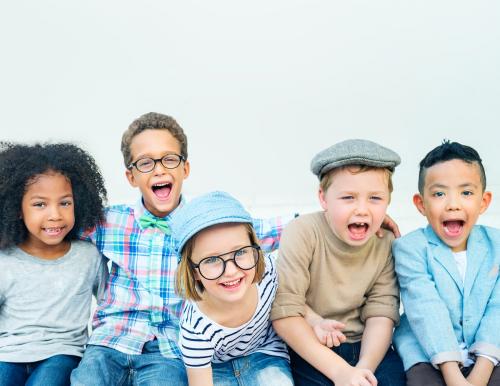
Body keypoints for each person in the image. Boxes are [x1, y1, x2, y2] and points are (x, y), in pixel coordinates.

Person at [71, 113, 291, 386]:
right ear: (131, 176)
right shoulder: (110, 221)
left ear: (184, 169)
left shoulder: (204, 227)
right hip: (110, 341)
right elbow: (56, 225)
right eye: (146, 162)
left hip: (169, 349)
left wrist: (332, 214)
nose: (159, 170)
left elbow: (265, 230)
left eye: (169, 159)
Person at [271, 139, 406, 386]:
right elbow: (285, 312)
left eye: (375, 198)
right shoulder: (303, 232)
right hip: (310, 346)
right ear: (323, 198)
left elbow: (382, 312)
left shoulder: (385, 242)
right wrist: (342, 374)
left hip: (368, 347)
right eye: (348, 198)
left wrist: (362, 371)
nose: (362, 210)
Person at [0, 142, 108, 386]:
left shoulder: (88, 256)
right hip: (8, 353)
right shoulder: (5, 261)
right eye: (40, 204)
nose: (55, 215)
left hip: (62, 353)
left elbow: (108, 305)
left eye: (65, 202)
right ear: (17, 208)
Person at [393, 141, 500, 386]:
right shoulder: (410, 248)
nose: (453, 204)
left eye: (466, 193)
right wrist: (455, 379)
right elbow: (426, 309)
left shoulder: (496, 245)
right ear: (421, 204)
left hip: (488, 351)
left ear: (484, 202)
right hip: (426, 351)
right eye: (439, 194)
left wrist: (479, 376)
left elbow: (497, 310)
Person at [171, 190, 293, 386]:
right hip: (216, 369)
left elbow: (295, 302)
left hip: (265, 352)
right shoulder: (195, 329)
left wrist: (315, 320)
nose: (231, 271)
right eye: (212, 259)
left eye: (240, 252)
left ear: (255, 250)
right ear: (193, 271)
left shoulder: (269, 274)